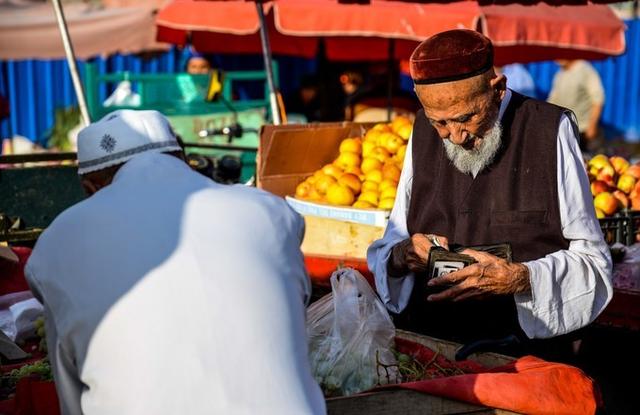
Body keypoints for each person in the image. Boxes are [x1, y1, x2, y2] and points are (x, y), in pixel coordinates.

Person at [25, 110, 325, 415]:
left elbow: (70, 394)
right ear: (181, 159)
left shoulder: (58, 241)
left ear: (91, 189)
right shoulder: (269, 211)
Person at [367, 30, 612, 358]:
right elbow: (388, 247)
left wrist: (522, 278)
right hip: (431, 347)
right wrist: (402, 255)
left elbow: (593, 263)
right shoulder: (423, 131)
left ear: (496, 89)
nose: (455, 136)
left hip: (521, 354)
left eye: (466, 117)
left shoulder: (548, 129)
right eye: (440, 122)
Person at [547, 60, 605, 154]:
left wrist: (592, 125)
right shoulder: (560, 74)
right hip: (564, 130)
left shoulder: (585, 70)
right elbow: (552, 101)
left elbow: (598, 99)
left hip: (583, 131)